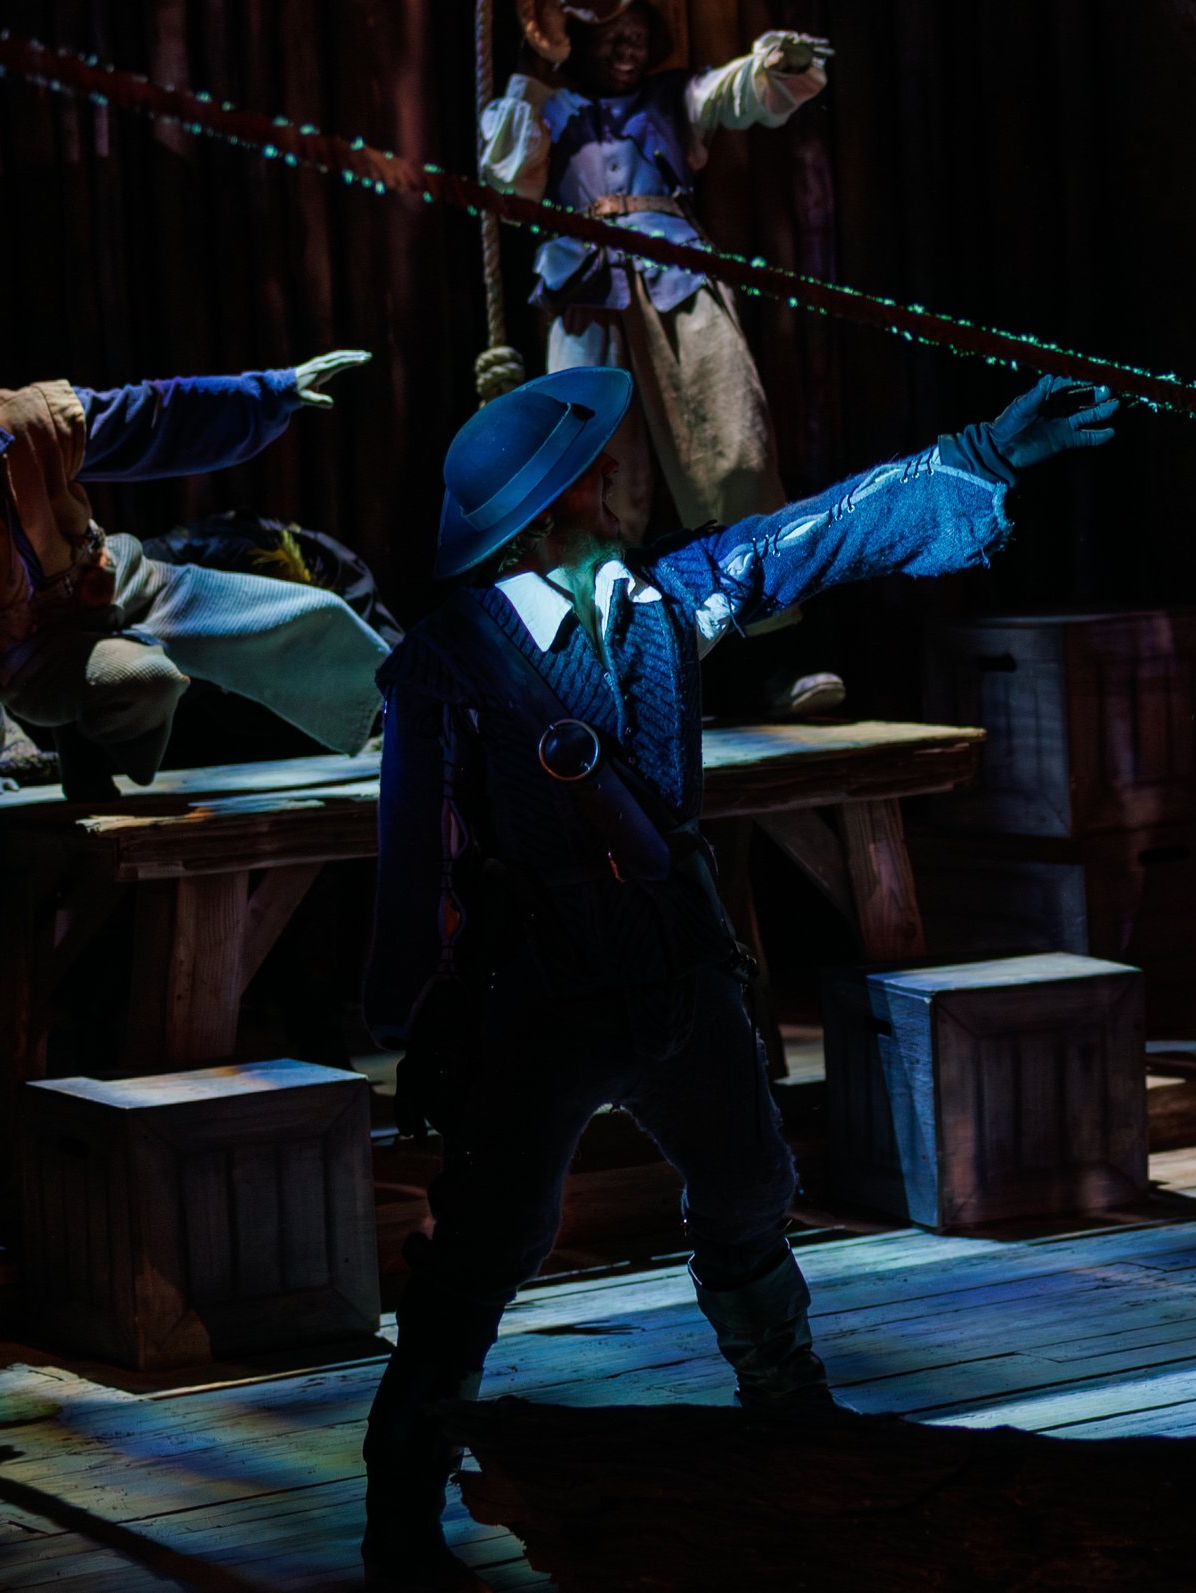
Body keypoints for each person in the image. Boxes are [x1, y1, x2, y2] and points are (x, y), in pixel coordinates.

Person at [357, 366, 1114, 1587]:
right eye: (594, 473)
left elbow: (808, 541)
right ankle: (400, 1508)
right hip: (537, 998)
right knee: (489, 1247)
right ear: (553, 507)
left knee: (752, 1189)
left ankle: (793, 1428)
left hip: (679, 973)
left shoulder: (661, 601)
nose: (617, 483)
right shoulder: (449, 665)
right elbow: (415, 860)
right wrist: (418, 1026)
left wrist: (983, 451)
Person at [479, 0, 831, 532]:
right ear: (580, 38)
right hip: (585, 288)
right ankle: (593, 598)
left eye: (639, 33)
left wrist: (773, 63)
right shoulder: (549, 106)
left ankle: (749, 578)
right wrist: (538, 64)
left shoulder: (677, 97)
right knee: (585, 451)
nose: (629, 46)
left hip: (678, 277)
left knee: (728, 431)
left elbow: (735, 90)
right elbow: (509, 173)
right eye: (613, 32)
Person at [0, 352, 389, 800]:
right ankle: (84, 738)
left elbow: (150, 415)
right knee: (149, 680)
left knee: (314, 611)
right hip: (34, 654)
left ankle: (403, 720)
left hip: (106, 578)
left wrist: (273, 390)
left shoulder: (23, 422)